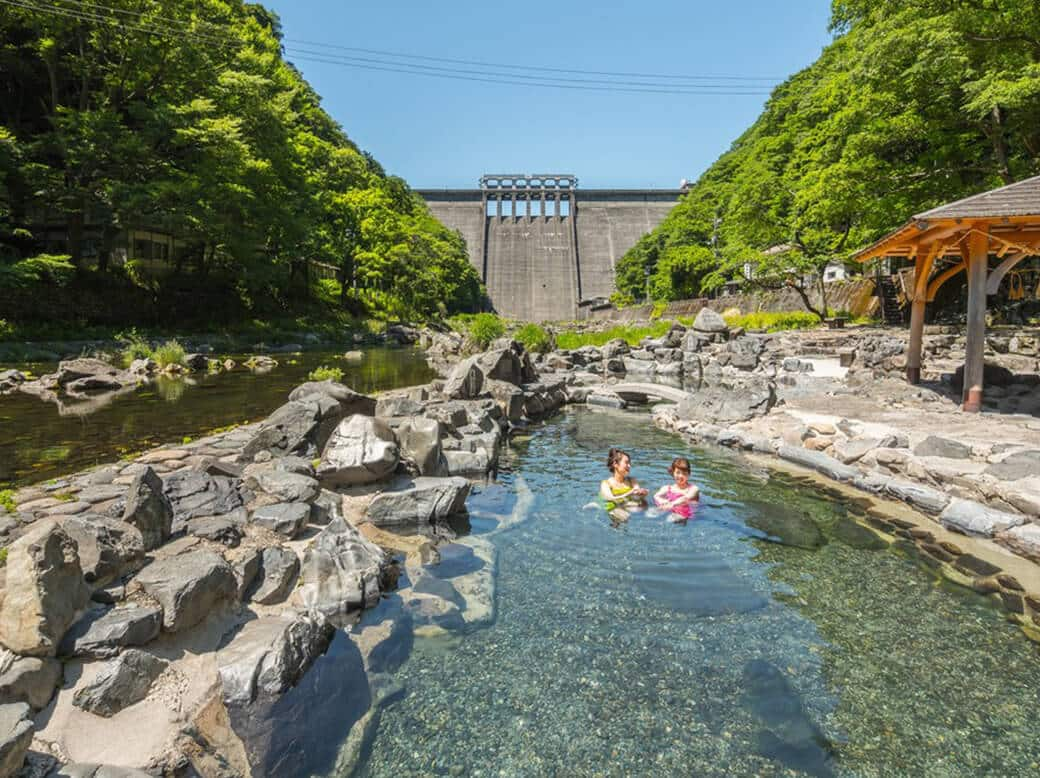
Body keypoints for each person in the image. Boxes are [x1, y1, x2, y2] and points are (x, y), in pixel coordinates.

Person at [600, 447, 648, 517]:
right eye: (626, 462)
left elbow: (637, 496)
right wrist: (629, 493)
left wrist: (642, 495)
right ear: (615, 464)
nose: (629, 466)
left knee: (647, 510)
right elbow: (610, 498)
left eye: (630, 463)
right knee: (624, 517)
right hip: (612, 506)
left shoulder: (632, 481)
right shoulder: (606, 484)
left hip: (626, 505)